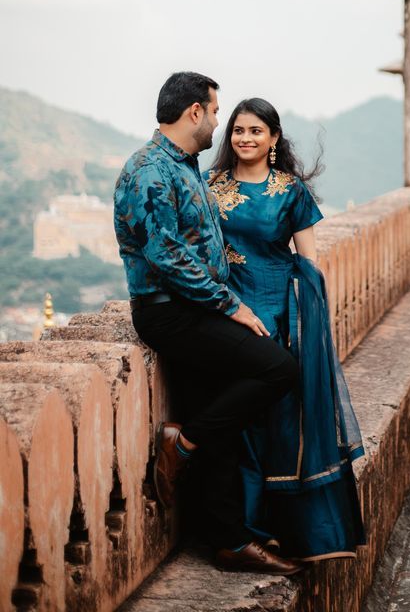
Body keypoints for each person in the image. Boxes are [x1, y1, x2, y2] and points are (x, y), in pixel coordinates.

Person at [113, 72, 302, 575]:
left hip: (194, 310)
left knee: (215, 412)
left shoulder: (184, 166)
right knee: (278, 369)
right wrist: (232, 305)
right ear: (195, 111)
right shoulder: (149, 170)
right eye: (216, 113)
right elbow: (166, 255)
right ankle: (183, 442)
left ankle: (229, 540)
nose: (219, 124)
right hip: (170, 313)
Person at [206, 97, 366, 561]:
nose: (246, 138)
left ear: (274, 138)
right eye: (238, 130)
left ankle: (288, 530)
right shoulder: (209, 188)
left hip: (283, 315)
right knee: (244, 423)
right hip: (231, 314)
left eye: (256, 130)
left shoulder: (291, 191)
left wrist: (305, 323)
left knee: (283, 421)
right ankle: (250, 527)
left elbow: (310, 263)